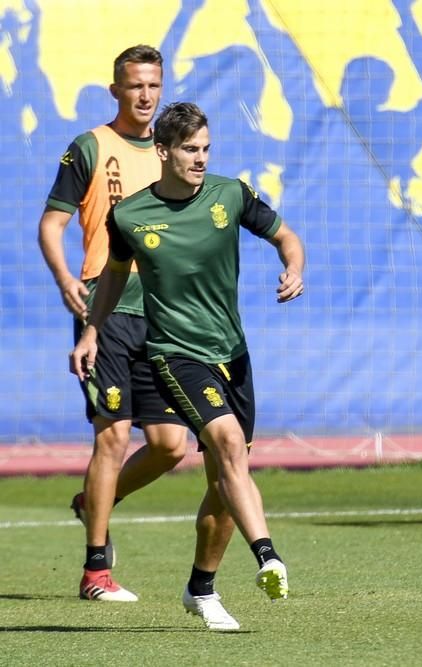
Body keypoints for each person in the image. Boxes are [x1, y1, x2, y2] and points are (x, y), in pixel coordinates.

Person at [71, 101, 302, 629]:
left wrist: (294, 267)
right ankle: (268, 555)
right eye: (189, 149)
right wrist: (92, 330)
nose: (200, 159)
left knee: (223, 482)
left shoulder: (231, 194)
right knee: (225, 443)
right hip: (175, 354)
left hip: (233, 355)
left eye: (205, 149)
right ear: (163, 151)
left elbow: (286, 236)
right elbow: (114, 275)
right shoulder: (130, 215)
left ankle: (201, 587)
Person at [37, 45, 234, 605]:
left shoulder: (177, 151)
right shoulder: (91, 147)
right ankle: (95, 571)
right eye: (134, 86)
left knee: (170, 447)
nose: (145, 95)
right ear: (116, 91)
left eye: (153, 85)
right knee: (114, 435)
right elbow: (50, 225)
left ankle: (93, 503)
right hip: (106, 308)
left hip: (164, 315)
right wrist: (65, 279)